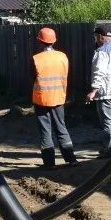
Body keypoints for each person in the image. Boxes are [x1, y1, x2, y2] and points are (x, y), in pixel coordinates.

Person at [31, 27, 78, 169]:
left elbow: (32, 78)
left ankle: (49, 163)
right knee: (61, 127)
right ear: (54, 41)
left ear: (40, 41)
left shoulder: (36, 59)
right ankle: (71, 159)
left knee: (45, 131)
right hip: (58, 98)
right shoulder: (63, 57)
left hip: (41, 99)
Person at [85, 24, 111, 157]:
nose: (96, 40)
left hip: (106, 92)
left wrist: (93, 90)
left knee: (108, 122)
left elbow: (99, 72)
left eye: (96, 37)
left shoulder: (102, 52)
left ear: (100, 37)